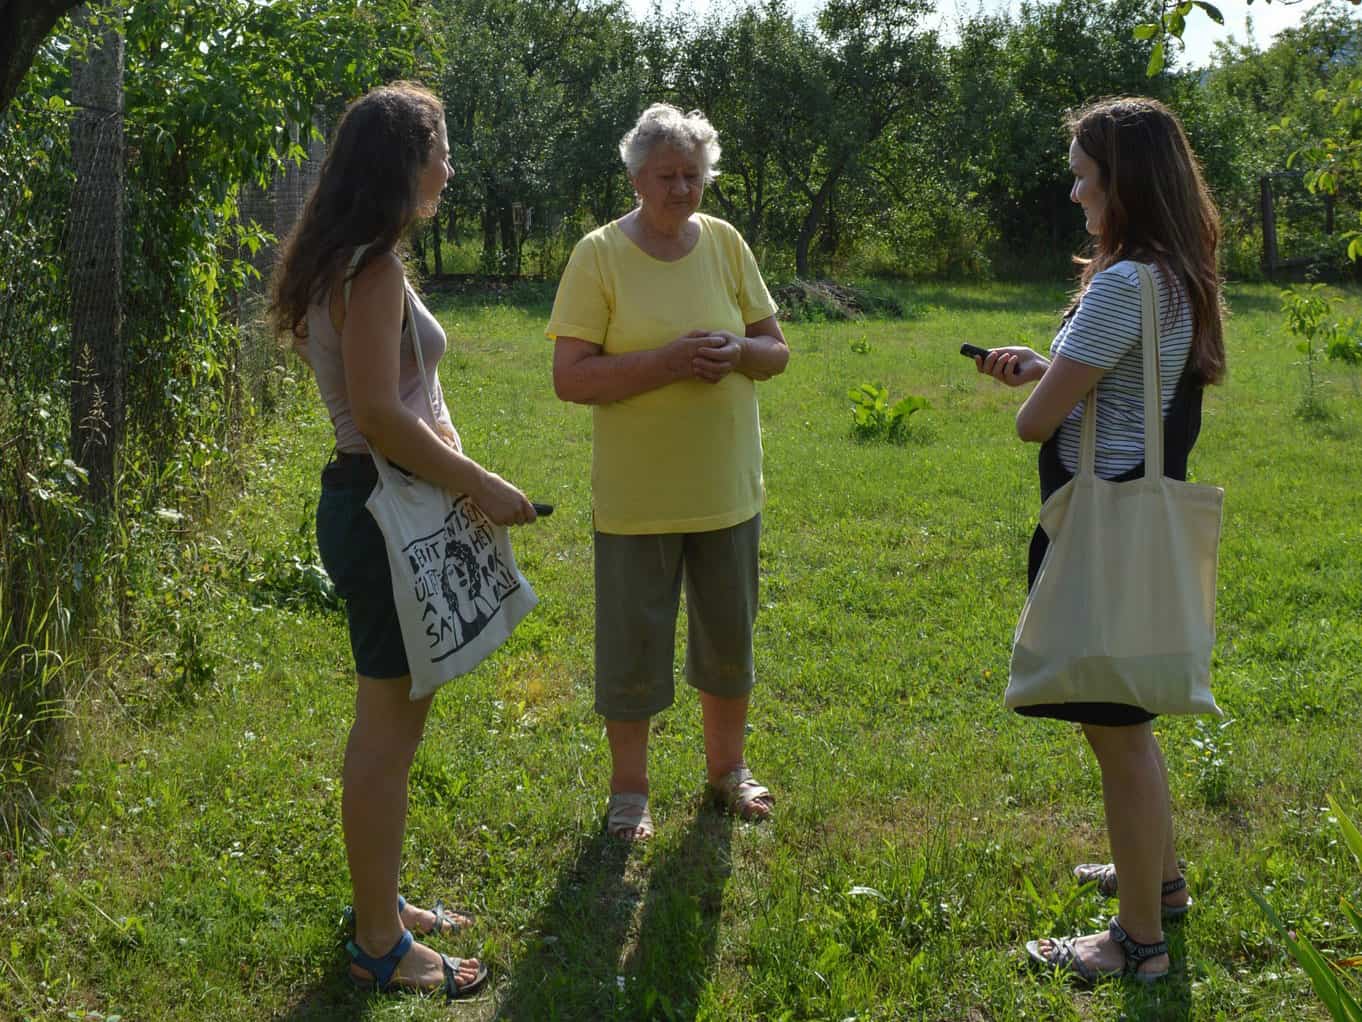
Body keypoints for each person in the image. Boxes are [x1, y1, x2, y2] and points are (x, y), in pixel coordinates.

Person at [269, 81, 536, 999]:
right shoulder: (373, 272)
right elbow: (381, 416)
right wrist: (486, 485)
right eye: (442, 150)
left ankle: (381, 902)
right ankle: (379, 941)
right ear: (403, 165)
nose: (450, 167)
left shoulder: (345, 259)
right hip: (382, 510)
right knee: (385, 732)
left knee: (395, 724)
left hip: (362, 506)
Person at [975, 96, 1226, 983]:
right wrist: (1051, 366)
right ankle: (1158, 879)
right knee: (1124, 718)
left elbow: (1036, 424)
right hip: (1135, 516)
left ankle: (1137, 944)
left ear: (1125, 183)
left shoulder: (1122, 283)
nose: (1076, 195)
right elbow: (1117, 387)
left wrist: (1039, 386)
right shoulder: (1176, 273)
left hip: (1101, 522)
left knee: (1116, 731)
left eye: (1084, 179)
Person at [547, 103, 790, 842]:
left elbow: (775, 350)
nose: (682, 189)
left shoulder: (724, 244)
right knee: (631, 649)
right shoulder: (598, 254)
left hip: (725, 490)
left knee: (728, 642)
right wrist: (668, 361)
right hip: (637, 498)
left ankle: (727, 772)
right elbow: (571, 378)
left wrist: (736, 353)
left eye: (693, 174)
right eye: (666, 176)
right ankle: (630, 794)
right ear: (635, 178)